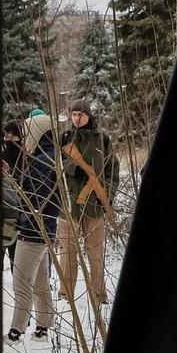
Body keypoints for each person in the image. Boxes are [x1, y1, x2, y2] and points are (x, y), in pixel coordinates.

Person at [58, 99, 119, 308]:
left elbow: (112, 171)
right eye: (73, 114)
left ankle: (99, 295)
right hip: (69, 205)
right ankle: (65, 296)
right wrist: (74, 168)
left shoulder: (102, 139)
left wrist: (106, 198)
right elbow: (55, 166)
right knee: (68, 254)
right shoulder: (64, 138)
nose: (77, 118)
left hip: (94, 206)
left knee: (96, 253)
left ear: (88, 115)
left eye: (80, 114)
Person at [7, 109, 61, 343]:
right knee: (40, 282)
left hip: (33, 231)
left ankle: (15, 332)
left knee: (21, 283)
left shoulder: (41, 161)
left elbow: (33, 200)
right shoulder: (50, 156)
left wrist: (15, 219)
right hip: (46, 229)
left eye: (28, 132)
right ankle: (43, 328)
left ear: (39, 132)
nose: (25, 136)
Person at [1, 120, 25, 267]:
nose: (9, 140)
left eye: (13, 137)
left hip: (20, 216)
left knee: (17, 262)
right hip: (1, 214)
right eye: (6, 137)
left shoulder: (26, 158)